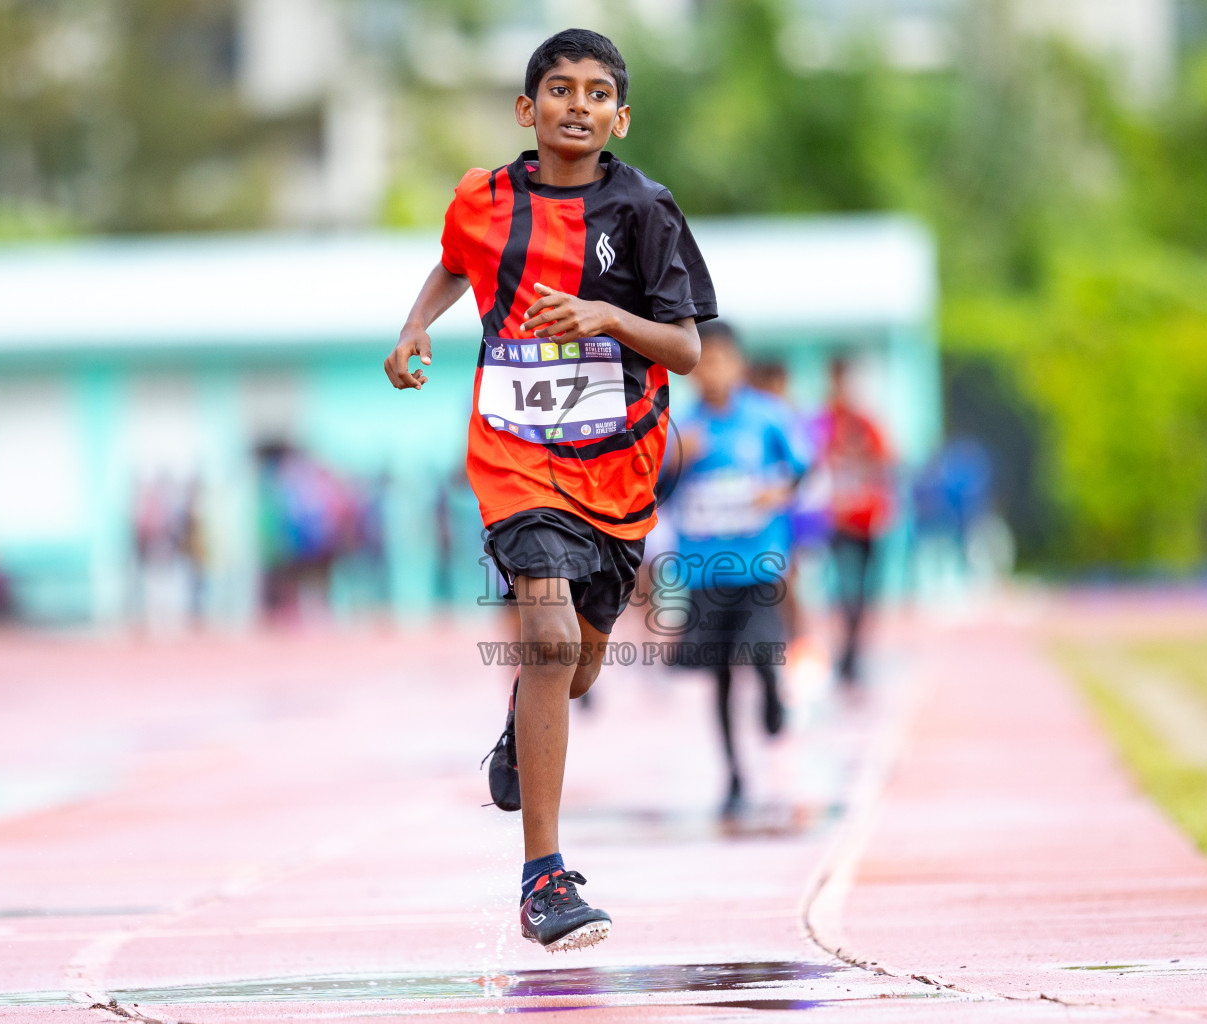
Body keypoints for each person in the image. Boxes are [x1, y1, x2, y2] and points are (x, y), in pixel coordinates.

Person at [383, 29, 715, 953]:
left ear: (621, 115)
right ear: (528, 110)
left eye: (597, 91)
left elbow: (685, 349)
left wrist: (608, 314)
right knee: (546, 632)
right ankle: (544, 881)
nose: (578, 104)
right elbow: (458, 260)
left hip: (618, 467)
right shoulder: (484, 200)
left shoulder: (646, 211)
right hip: (514, 454)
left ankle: (515, 737)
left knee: (578, 667)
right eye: (558, 89)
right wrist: (415, 328)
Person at [672, 323, 806, 817]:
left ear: (739, 364)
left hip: (759, 564)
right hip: (705, 572)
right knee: (721, 678)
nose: (712, 372)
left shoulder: (767, 418)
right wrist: (682, 460)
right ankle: (733, 774)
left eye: (722, 360)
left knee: (761, 648)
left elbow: (802, 469)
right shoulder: (680, 426)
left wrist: (780, 491)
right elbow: (654, 486)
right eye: (702, 363)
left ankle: (773, 695)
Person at [818, 356, 895, 685]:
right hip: (837, 522)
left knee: (864, 592)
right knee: (843, 589)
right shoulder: (824, 424)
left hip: (868, 521)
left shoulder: (867, 425)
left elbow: (886, 466)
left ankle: (853, 654)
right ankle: (845, 654)